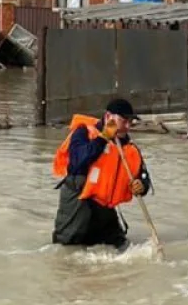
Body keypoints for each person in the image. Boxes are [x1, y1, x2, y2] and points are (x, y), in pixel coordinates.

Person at [51, 98, 153, 249]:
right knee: (67, 250)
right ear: (108, 117)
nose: (127, 126)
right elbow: (78, 161)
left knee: (121, 246)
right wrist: (103, 137)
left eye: (130, 122)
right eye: (123, 121)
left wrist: (141, 186)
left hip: (105, 209)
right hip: (78, 204)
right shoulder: (83, 132)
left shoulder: (130, 149)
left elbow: (143, 177)